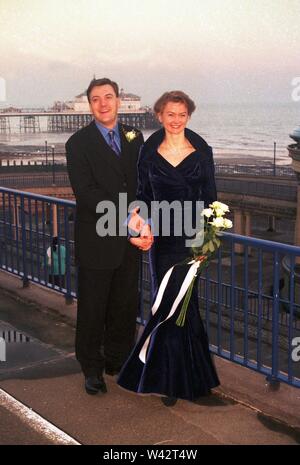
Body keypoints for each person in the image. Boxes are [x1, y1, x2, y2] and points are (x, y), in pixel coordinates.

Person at [118, 91, 220, 405]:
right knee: (166, 307)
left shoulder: (202, 152)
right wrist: (135, 223)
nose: (176, 120)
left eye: (182, 115)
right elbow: (142, 198)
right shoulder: (148, 153)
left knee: (188, 308)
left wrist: (209, 237)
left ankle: (186, 378)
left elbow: (210, 199)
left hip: (192, 240)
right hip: (162, 241)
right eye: (170, 114)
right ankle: (169, 377)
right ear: (159, 116)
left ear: (188, 116)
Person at [65, 78, 152, 396]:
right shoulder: (77, 143)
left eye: (109, 97)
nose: (103, 103)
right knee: (92, 308)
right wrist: (128, 219)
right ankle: (91, 367)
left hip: (128, 243)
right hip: (97, 240)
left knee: (124, 305)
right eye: (96, 98)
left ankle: (118, 359)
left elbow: (143, 182)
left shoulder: (135, 136)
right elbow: (86, 193)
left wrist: (144, 221)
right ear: (90, 105)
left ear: (118, 100)